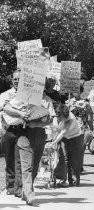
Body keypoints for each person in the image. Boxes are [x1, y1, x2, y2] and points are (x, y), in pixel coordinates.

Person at [0, 70, 27, 198]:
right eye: (15, 79)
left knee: (19, 160)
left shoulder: (27, 96)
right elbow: (3, 110)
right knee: (9, 159)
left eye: (19, 79)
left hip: (22, 130)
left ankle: (18, 188)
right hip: (8, 130)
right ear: (12, 80)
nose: (17, 81)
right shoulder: (5, 95)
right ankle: (10, 186)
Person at [53, 103, 84, 187]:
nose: (58, 118)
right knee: (63, 158)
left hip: (75, 138)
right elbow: (57, 130)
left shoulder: (71, 118)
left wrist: (54, 142)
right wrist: (54, 138)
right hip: (64, 138)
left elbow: (63, 132)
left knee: (74, 160)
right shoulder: (56, 116)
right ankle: (63, 179)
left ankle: (74, 181)